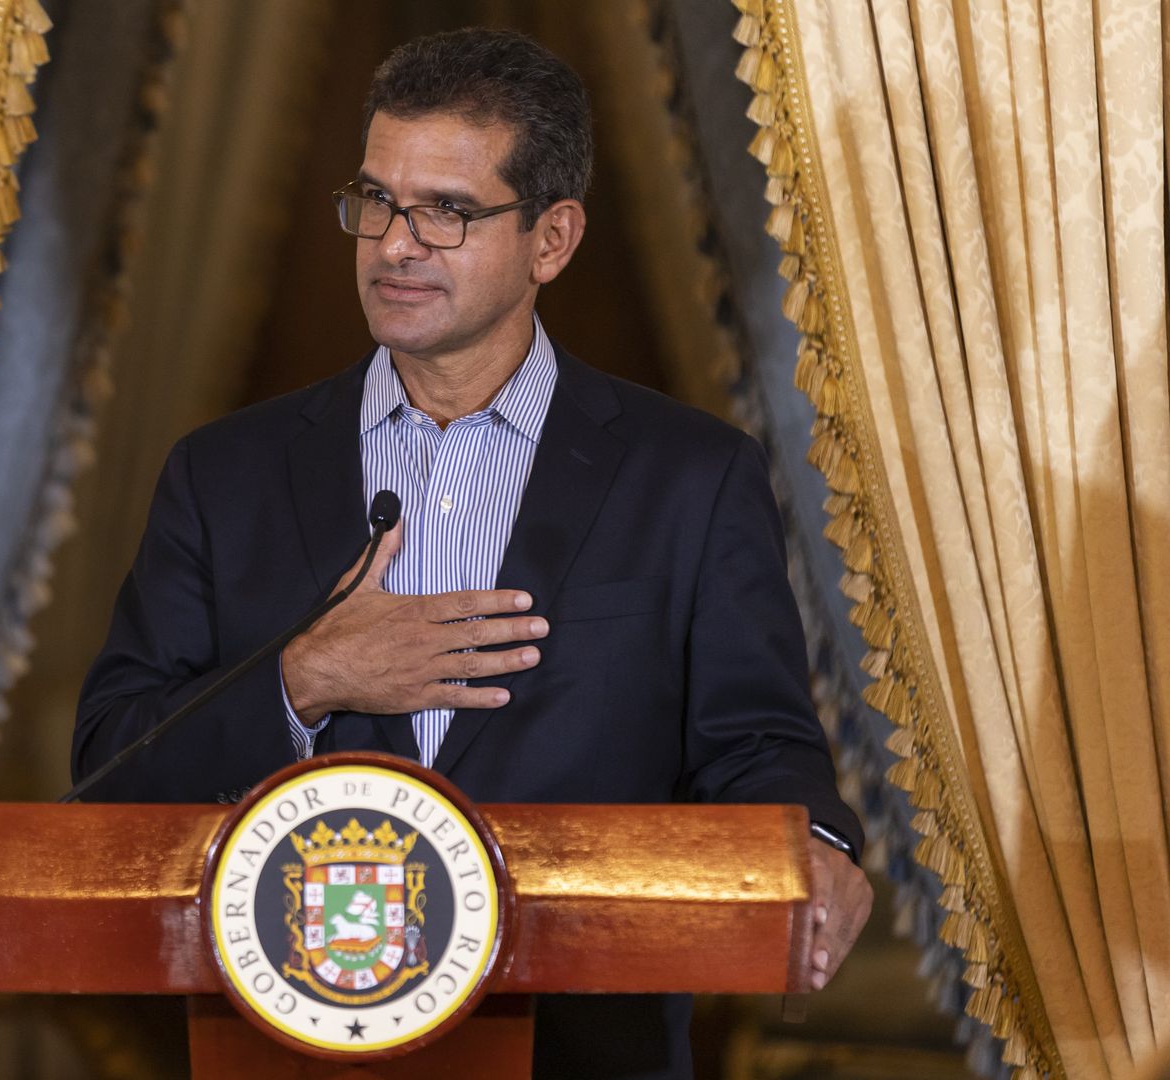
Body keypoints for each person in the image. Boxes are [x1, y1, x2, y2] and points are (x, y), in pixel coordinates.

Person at [71, 27, 872, 1078]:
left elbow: (756, 746)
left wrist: (822, 844)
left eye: (446, 212)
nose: (395, 244)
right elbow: (107, 774)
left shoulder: (690, 477)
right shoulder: (225, 477)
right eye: (376, 202)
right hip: (289, 1048)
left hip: (587, 1050)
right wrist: (307, 680)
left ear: (553, 238)